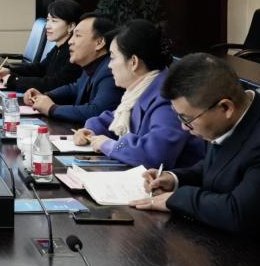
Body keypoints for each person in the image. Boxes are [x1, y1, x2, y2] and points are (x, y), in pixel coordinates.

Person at [131, 54, 260, 255]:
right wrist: (174, 179)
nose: (183, 127)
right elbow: (215, 168)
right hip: (225, 243)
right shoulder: (237, 116)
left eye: (187, 119)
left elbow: (238, 212)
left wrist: (176, 199)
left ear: (225, 107)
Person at [71, 20, 204, 169]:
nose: (109, 65)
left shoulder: (169, 98)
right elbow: (116, 118)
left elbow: (156, 154)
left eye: (113, 58)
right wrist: (91, 130)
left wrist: (110, 145)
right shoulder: (141, 89)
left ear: (133, 62)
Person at [24, 12, 122, 124]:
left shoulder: (111, 70)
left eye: (78, 35)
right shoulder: (92, 64)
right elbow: (74, 88)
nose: (70, 41)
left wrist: (52, 109)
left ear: (99, 42)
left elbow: (97, 112)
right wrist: (44, 96)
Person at [0, 0, 83, 92]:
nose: (47, 26)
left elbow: (54, 84)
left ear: (71, 26)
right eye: (48, 20)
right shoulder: (58, 48)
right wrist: (10, 71)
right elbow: (40, 69)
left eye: (54, 21)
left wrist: (13, 80)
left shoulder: (74, 53)